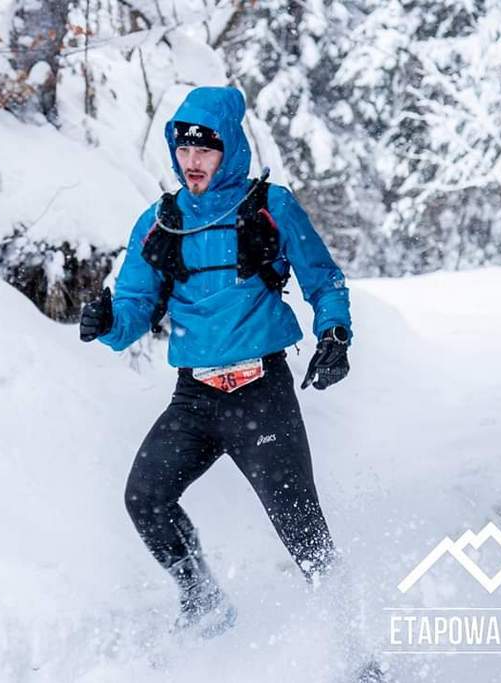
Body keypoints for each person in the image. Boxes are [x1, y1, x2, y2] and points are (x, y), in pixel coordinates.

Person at [79, 86, 353, 638]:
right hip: (196, 399)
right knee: (145, 498)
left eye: (204, 148)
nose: (192, 160)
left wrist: (334, 333)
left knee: (301, 527)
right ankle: (202, 600)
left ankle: (352, 643)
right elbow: (134, 305)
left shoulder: (270, 207)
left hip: (261, 392)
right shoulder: (160, 222)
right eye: (183, 148)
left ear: (229, 148)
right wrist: (108, 323)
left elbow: (323, 280)